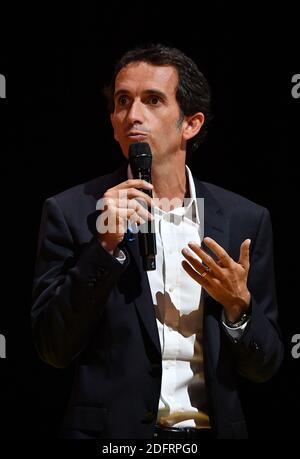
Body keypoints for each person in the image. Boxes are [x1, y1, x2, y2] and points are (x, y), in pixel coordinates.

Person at [31, 43, 283, 439]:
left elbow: (264, 366)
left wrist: (239, 307)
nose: (133, 115)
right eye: (122, 101)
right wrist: (104, 248)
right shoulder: (71, 212)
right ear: (113, 122)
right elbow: (52, 348)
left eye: (152, 101)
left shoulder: (244, 220)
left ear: (191, 124)